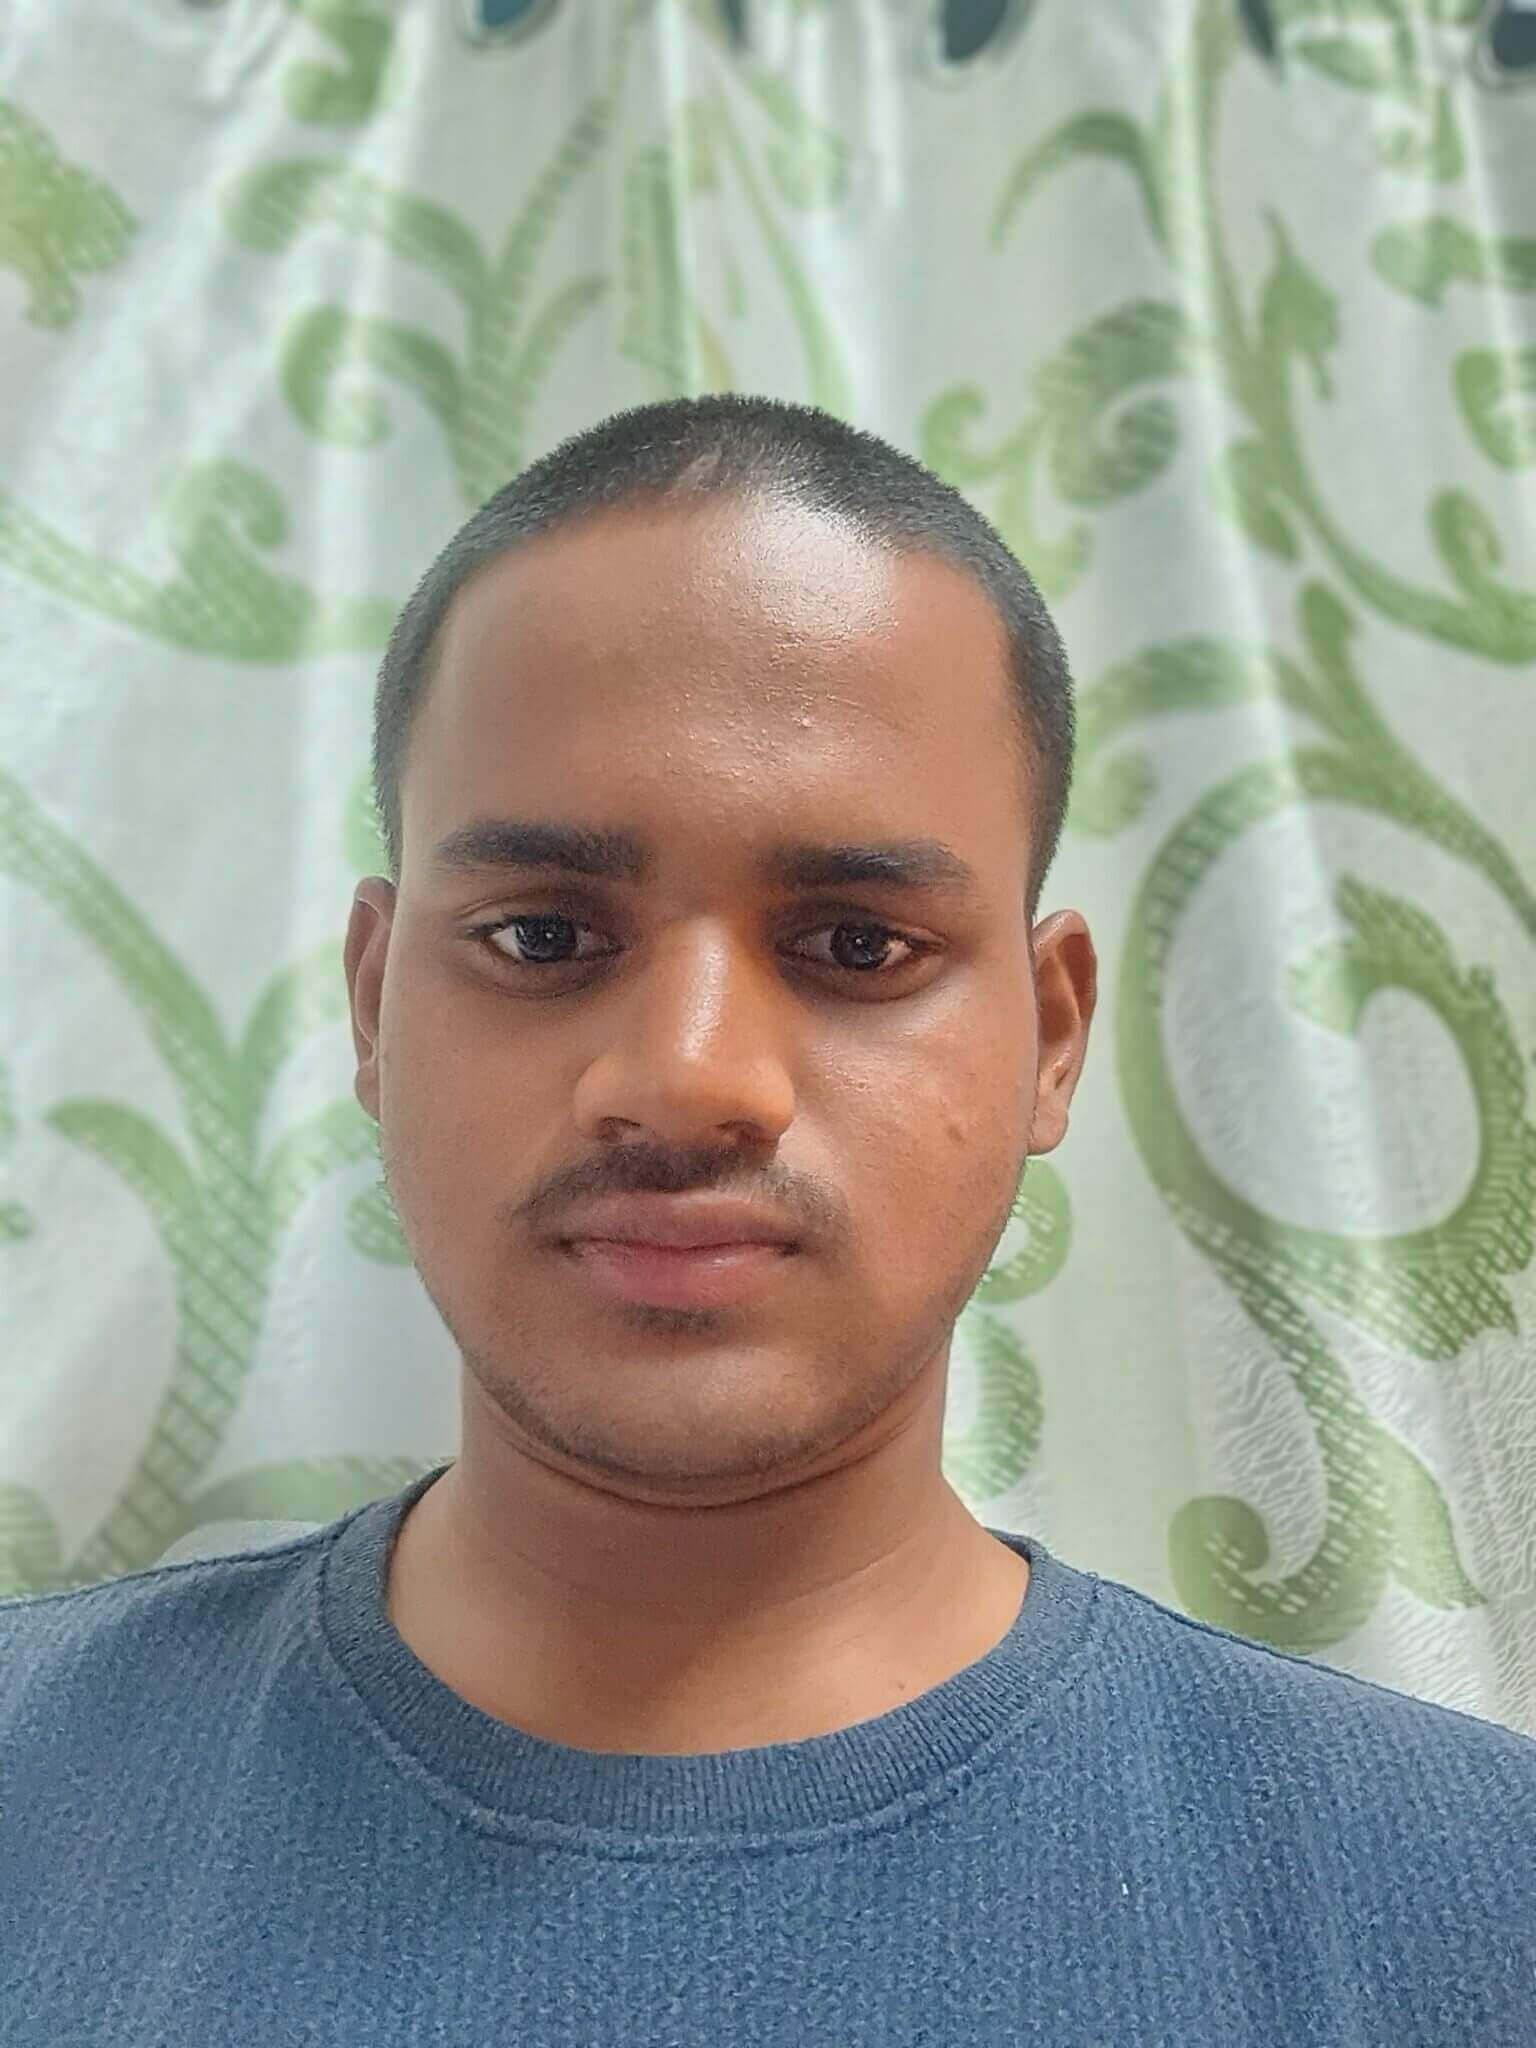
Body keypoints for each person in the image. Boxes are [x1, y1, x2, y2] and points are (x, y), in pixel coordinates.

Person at [2, 395, 1531, 2044]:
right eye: (540, 937)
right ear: (375, 1005)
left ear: (1051, 1035)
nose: (684, 1079)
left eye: (858, 946)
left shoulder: (1469, 1902)